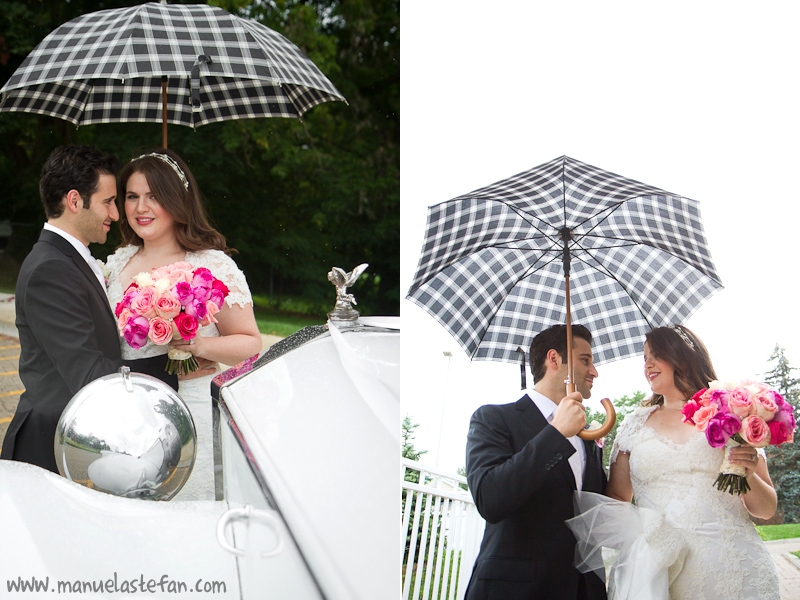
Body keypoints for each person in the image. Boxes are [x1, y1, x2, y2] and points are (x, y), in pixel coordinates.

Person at [1, 145, 177, 474]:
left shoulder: (68, 259)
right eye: (108, 202)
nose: (115, 214)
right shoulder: (49, 270)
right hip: (49, 448)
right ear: (74, 201)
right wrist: (174, 368)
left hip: (76, 439)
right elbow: (89, 375)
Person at [570, 325, 780, 599]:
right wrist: (645, 541)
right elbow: (618, 500)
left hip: (738, 569)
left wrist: (750, 474)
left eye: (656, 356)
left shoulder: (731, 415)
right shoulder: (634, 425)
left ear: (681, 357)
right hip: (662, 574)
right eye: (645, 358)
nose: (648, 365)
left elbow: (766, 510)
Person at [104, 149, 262, 501]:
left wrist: (198, 346)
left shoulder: (212, 265)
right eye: (132, 196)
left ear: (178, 201)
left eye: (154, 196)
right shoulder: (117, 263)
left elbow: (251, 343)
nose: (140, 208)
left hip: (191, 410)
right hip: (131, 414)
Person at [463, 324, 607, 600]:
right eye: (585, 360)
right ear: (553, 359)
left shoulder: (588, 437)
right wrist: (556, 433)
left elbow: (599, 514)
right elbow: (490, 499)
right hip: (515, 591)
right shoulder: (493, 420)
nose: (594, 371)